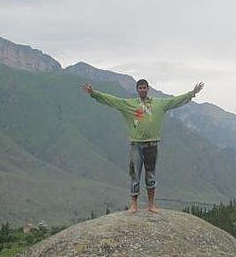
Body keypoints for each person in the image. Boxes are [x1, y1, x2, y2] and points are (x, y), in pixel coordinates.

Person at [82, 78, 204, 213]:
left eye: (144, 87)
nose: (142, 90)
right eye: (140, 88)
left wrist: (192, 93)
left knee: (150, 175)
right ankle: (133, 204)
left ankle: (151, 204)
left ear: (148, 88)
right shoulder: (129, 104)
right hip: (136, 146)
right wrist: (94, 93)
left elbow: (174, 101)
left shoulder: (158, 104)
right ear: (137, 90)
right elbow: (112, 100)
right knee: (135, 175)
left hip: (152, 144)